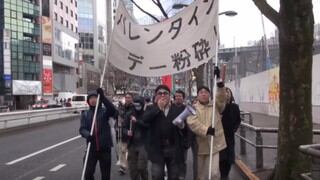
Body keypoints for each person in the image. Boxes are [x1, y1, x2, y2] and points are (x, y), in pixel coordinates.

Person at [141, 85, 186, 180]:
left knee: (174, 176)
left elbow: (185, 129)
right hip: (157, 149)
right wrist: (158, 108)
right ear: (156, 96)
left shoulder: (177, 109)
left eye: (165, 93)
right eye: (159, 93)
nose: (162, 95)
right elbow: (144, 120)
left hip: (173, 148)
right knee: (157, 175)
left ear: (169, 96)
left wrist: (182, 126)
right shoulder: (151, 108)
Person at [186, 81, 227, 179]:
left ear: (209, 94)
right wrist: (206, 130)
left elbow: (221, 99)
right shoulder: (193, 108)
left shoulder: (215, 106)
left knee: (214, 173)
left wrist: (220, 87)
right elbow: (192, 122)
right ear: (198, 95)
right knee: (202, 175)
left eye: (206, 92)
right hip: (200, 146)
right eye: (201, 92)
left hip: (215, 144)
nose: (203, 94)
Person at [79, 88, 117, 180]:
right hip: (91, 148)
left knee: (105, 175)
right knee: (87, 173)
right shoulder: (85, 114)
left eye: (95, 98)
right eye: (90, 98)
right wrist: (88, 135)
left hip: (105, 148)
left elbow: (113, 110)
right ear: (88, 101)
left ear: (98, 99)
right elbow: (82, 129)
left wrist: (103, 97)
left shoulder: (105, 112)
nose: (93, 100)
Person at [124, 96, 149, 180]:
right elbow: (124, 127)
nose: (137, 107)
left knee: (141, 167)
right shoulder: (129, 114)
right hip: (132, 144)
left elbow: (148, 126)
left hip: (143, 144)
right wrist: (127, 132)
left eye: (139, 105)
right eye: (135, 105)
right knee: (133, 169)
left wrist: (137, 121)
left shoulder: (146, 114)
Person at [219, 87, 241, 179]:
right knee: (221, 158)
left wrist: (235, 128)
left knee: (229, 158)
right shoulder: (219, 107)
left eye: (228, 92)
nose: (227, 94)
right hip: (220, 136)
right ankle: (223, 175)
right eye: (225, 92)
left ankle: (226, 174)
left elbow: (238, 119)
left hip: (230, 136)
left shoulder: (235, 107)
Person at [117, 93, 136, 175]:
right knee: (122, 150)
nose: (128, 99)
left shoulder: (135, 108)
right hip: (123, 131)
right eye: (126, 97)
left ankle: (131, 165)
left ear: (132, 99)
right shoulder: (121, 107)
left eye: (129, 97)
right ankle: (122, 167)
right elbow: (118, 116)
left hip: (133, 131)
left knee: (131, 151)